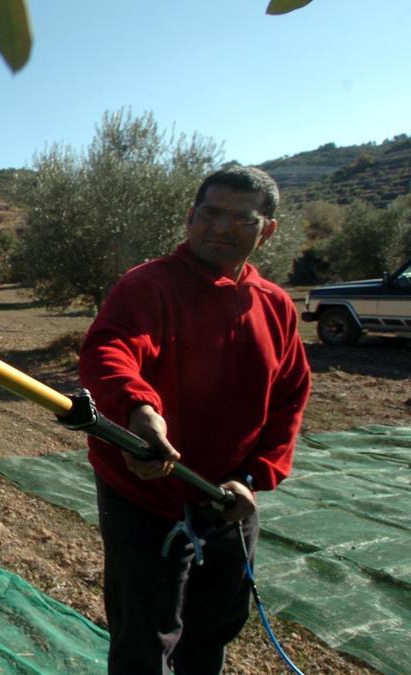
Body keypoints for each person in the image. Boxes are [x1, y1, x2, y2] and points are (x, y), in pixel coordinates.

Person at [78, 166, 311, 674]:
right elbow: (110, 349)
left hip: (229, 500)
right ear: (190, 217)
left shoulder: (276, 306)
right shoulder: (148, 285)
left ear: (266, 230)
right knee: (144, 636)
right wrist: (139, 412)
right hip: (146, 496)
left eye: (240, 218)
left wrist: (253, 477)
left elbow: (292, 394)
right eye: (210, 213)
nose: (220, 228)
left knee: (214, 629)